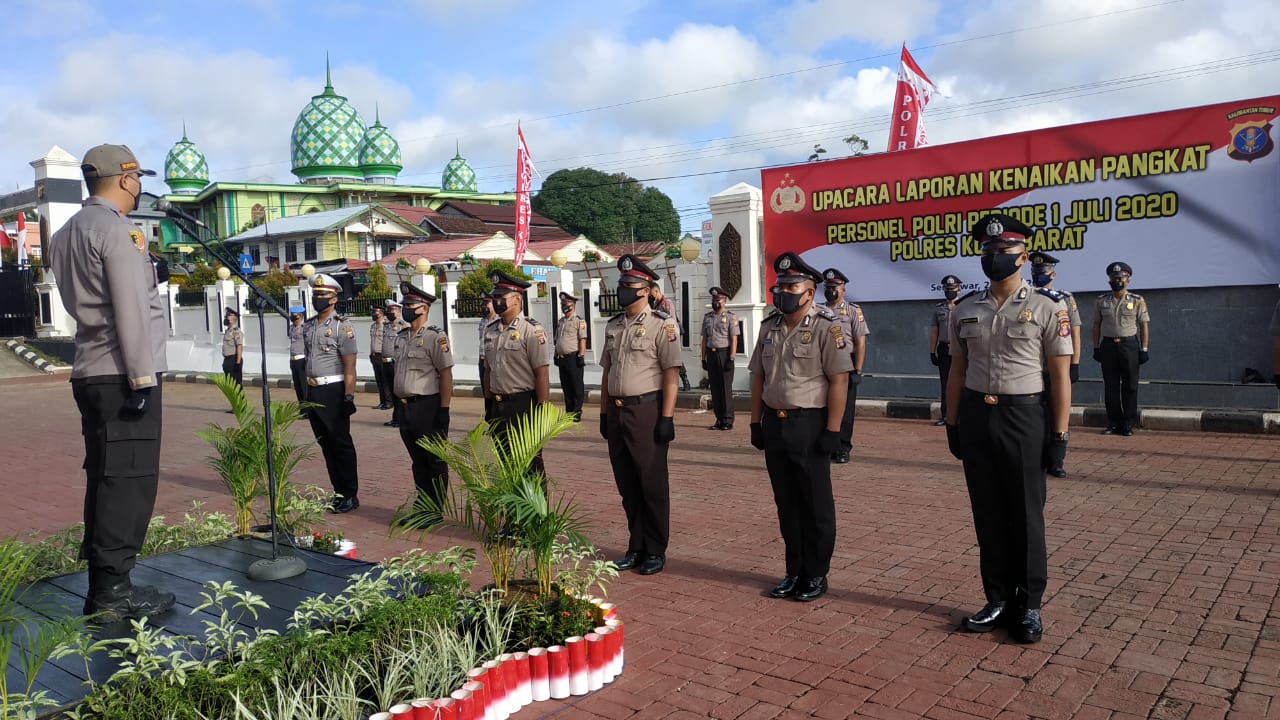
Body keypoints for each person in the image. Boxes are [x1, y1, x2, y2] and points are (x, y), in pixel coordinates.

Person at [47, 143, 175, 618]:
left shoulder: (65, 233)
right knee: (129, 480)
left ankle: (106, 582)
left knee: (105, 476)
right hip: (124, 372)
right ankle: (113, 591)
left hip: (90, 370)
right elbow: (130, 309)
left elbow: (93, 300)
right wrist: (142, 378)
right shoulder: (119, 232)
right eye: (137, 178)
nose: (139, 187)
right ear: (125, 180)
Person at [945, 213, 1072, 644]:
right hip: (979, 416)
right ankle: (996, 598)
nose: (994, 258)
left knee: (1026, 515)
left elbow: (1060, 376)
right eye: (988, 252)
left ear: (1023, 257)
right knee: (989, 514)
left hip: (1025, 417)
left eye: (1003, 252)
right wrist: (953, 422)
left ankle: (1030, 605)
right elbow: (957, 370)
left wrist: (1059, 435)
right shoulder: (965, 309)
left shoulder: (1048, 307)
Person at [749, 252, 851, 602]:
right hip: (775, 424)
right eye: (780, 286)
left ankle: (816, 573)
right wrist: (754, 422)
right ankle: (794, 571)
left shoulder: (828, 327)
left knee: (815, 504)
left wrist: (833, 431)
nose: (784, 292)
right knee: (786, 503)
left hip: (809, 424)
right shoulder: (768, 327)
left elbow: (839, 381)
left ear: (810, 292)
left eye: (792, 286)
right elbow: (758, 378)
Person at [600, 255, 682, 576]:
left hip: (646, 409)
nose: (623, 291)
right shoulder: (613, 326)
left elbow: (671, 374)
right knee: (627, 483)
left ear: (646, 290)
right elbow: (607, 374)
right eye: (621, 286)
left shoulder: (663, 326)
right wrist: (605, 414)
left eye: (629, 286)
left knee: (651, 483)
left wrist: (667, 417)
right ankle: (636, 545)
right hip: (618, 412)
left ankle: (656, 549)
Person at [391, 281, 453, 526]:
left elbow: (446, 374)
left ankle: (434, 511)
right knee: (417, 462)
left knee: (433, 461)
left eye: (411, 305)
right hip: (405, 408)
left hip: (427, 406)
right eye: (404, 304)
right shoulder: (402, 337)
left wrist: (444, 410)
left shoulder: (435, 336)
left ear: (424, 308)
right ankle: (422, 505)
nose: (406, 308)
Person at [485, 270, 551, 484]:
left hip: (523, 405)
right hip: (498, 405)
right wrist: (488, 403)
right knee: (505, 463)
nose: (496, 301)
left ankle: (536, 516)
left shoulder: (531, 330)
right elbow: (488, 370)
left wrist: (542, 410)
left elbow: (541, 373)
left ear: (516, 299)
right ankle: (514, 516)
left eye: (500, 297)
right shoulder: (491, 330)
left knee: (530, 463)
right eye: (495, 297)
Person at [303, 273, 361, 513]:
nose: (318, 299)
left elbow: (350, 366)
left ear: (334, 298)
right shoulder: (309, 325)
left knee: (341, 444)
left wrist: (348, 396)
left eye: (323, 296)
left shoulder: (342, 327)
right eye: (316, 295)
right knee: (326, 445)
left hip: (334, 391)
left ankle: (349, 494)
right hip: (314, 389)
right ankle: (337, 491)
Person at [1029, 252, 1081, 478]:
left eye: (1044, 272)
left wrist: (1075, 363)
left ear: (1053, 274)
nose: (1040, 275)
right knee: (1037, 415)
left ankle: (1057, 461)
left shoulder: (1063, 298)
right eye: (1036, 272)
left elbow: (1074, 333)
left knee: (1059, 412)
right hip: (1032, 367)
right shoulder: (1026, 297)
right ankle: (1038, 457)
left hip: (1056, 367)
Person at [1091, 261, 1150, 436]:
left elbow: (1144, 325)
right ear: (1109, 280)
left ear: (1128, 280)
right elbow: (1096, 325)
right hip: (1108, 345)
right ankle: (1113, 423)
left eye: (1121, 278)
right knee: (1111, 387)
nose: (1117, 281)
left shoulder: (1137, 300)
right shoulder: (1101, 301)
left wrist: (1144, 348)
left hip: (1129, 345)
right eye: (1114, 278)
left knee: (1130, 386)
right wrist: (1096, 348)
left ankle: (1128, 424)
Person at [821, 268, 869, 464]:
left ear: (843, 289)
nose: (831, 290)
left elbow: (860, 342)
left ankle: (842, 447)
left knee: (845, 408)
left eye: (834, 287)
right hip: (823, 362)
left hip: (845, 362)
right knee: (823, 406)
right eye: (828, 287)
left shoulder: (853, 311)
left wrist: (857, 369)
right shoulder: (819, 310)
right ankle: (825, 445)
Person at [701, 287, 739, 430]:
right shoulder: (708, 317)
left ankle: (728, 420)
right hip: (711, 354)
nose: (715, 302)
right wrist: (703, 358)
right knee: (715, 389)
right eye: (713, 300)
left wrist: (732, 357)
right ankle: (719, 419)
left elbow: (734, 339)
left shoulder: (730, 317)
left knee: (725, 389)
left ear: (724, 301)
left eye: (717, 300)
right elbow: (704, 339)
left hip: (724, 354)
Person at [929, 275, 962, 426]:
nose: (950, 292)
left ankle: (961, 416)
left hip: (960, 350)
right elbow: (934, 331)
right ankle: (946, 416)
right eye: (947, 289)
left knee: (962, 382)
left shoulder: (963, 307)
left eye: (952, 289)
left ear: (959, 289)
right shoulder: (938, 309)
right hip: (943, 348)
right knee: (945, 383)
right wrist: (932, 351)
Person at [649, 282, 692, 392]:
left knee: (675, 359)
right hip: (660, 335)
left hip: (670, 334)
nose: (651, 296)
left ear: (656, 291)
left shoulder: (666, 303)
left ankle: (685, 380)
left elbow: (671, 320)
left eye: (652, 294)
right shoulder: (655, 304)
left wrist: (671, 337)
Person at [554, 291, 588, 421]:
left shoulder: (579, 321)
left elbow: (582, 339)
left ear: (573, 305)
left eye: (566, 303)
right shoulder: (561, 321)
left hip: (573, 358)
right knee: (566, 386)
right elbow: (558, 340)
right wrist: (556, 355)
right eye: (562, 303)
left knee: (576, 385)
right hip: (562, 359)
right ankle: (568, 411)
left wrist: (581, 355)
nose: (564, 306)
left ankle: (576, 411)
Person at [381, 298, 409, 428]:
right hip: (385, 362)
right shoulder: (385, 326)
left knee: (398, 392)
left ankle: (401, 418)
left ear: (398, 312)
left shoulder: (403, 325)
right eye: (388, 310)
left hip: (396, 363)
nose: (389, 312)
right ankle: (395, 417)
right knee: (391, 391)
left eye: (391, 310)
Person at [478, 295, 496, 420]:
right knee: (485, 390)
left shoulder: (498, 320)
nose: (484, 307)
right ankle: (489, 418)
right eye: (483, 304)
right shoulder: (483, 321)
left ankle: (495, 417)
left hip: (493, 360)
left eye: (487, 304)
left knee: (494, 389)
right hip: (482, 359)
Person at [369, 306, 390, 409]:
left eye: (375, 312)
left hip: (382, 355)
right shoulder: (373, 326)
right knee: (379, 380)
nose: (373, 314)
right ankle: (382, 401)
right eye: (372, 312)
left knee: (385, 380)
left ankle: (388, 402)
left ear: (381, 313)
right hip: (374, 356)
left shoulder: (386, 326)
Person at [287, 306, 307, 406]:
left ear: (300, 316)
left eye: (294, 316)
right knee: (297, 386)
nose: (292, 317)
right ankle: (302, 408)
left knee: (303, 386)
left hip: (301, 359)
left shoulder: (305, 328)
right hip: (293, 360)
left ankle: (307, 410)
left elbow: (308, 345)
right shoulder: (291, 328)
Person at [221, 307, 244, 393]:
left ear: (234, 318)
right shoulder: (228, 331)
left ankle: (241, 405)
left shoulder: (236, 331)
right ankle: (234, 405)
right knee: (230, 386)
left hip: (234, 360)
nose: (226, 317)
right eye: (226, 315)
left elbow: (239, 346)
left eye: (228, 315)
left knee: (237, 385)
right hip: (227, 360)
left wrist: (237, 363)